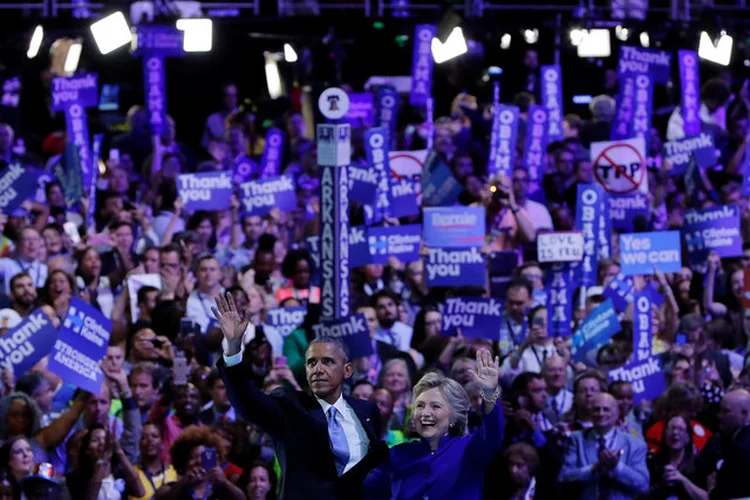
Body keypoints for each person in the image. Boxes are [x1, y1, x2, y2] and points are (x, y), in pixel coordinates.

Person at [213, 291, 387, 500]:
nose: (318, 369)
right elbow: (247, 402)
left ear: (347, 371)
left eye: (328, 362)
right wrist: (233, 349)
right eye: (311, 363)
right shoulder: (289, 406)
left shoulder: (367, 411)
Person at [365, 349, 504, 499]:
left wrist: (489, 394)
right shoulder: (399, 454)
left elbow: (494, 433)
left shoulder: (469, 448)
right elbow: (366, 487)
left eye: (435, 406)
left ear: (454, 417)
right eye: (420, 406)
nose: (425, 413)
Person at [558, 393, 649, 499]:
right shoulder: (576, 439)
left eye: (606, 409)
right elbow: (564, 477)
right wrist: (593, 468)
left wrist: (617, 467)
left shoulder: (635, 444)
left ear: (617, 413)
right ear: (591, 413)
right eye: (597, 409)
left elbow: (643, 485)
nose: (601, 414)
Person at [644, 414, 708, 500]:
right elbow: (642, 496)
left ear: (688, 437)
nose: (675, 433)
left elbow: (706, 497)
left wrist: (683, 480)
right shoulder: (653, 462)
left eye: (680, 429)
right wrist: (662, 484)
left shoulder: (698, 464)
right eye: (671, 428)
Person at [711, 389, 750, 499]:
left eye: (726, 411)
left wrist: (712, 490)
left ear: (744, 413)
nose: (720, 416)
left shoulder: (741, 448)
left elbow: (727, 493)